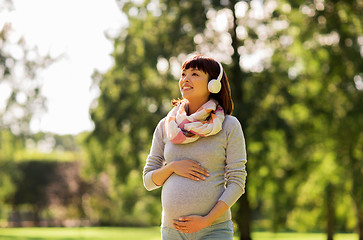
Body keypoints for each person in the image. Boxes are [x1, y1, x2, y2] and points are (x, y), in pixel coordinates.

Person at [143, 54, 247, 240]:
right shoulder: (166, 126)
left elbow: (237, 182)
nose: (185, 79)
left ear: (213, 83)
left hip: (214, 229)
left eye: (194, 74)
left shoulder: (229, 125)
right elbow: (148, 181)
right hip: (172, 231)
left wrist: (207, 220)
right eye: (183, 74)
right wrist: (173, 167)